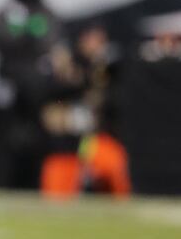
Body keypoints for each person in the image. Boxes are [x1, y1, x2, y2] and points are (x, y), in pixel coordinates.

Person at [0, 0, 62, 189]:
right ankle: (0, 184)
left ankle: (34, 184)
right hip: (10, 80)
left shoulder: (44, 12)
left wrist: (25, 43)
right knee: (4, 137)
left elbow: (48, 40)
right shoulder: (9, 10)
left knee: (37, 135)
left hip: (36, 85)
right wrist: (21, 42)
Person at [40, 25, 130, 198]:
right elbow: (52, 96)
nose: (95, 45)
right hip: (66, 145)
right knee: (57, 195)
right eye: (91, 40)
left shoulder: (106, 68)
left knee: (114, 166)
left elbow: (112, 100)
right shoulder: (69, 64)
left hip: (92, 140)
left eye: (100, 41)